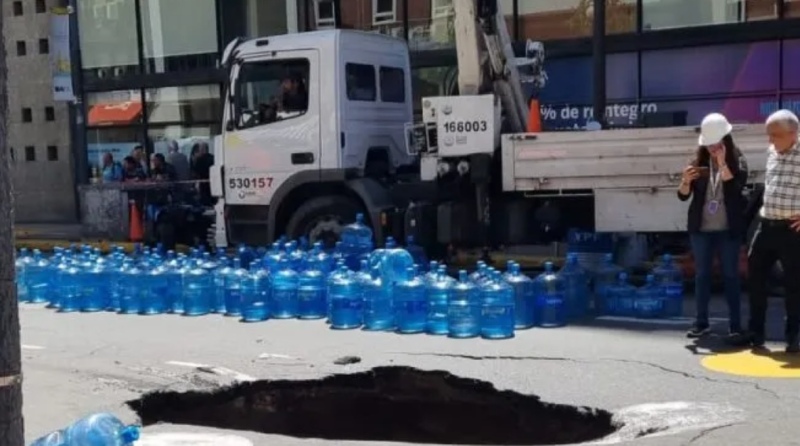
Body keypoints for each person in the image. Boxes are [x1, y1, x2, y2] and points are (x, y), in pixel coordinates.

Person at [678, 113, 749, 341]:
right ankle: (701, 323)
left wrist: (722, 165)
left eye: (716, 144)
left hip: (728, 229)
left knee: (730, 276)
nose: (712, 148)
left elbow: (736, 191)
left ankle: (735, 325)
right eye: (708, 145)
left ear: (726, 140)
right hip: (702, 229)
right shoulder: (697, 162)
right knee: (702, 276)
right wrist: (685, 182)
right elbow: (682, 196)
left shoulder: (739, 160)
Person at [739, 109, 800, 352]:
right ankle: (755, 333)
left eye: (775, 135)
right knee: (755, 280)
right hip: (766, 226)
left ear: (793, 134)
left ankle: (794, 336)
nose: (770, 140)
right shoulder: (772, 151)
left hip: (792, 230)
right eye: (769, 135)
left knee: (794, 285)